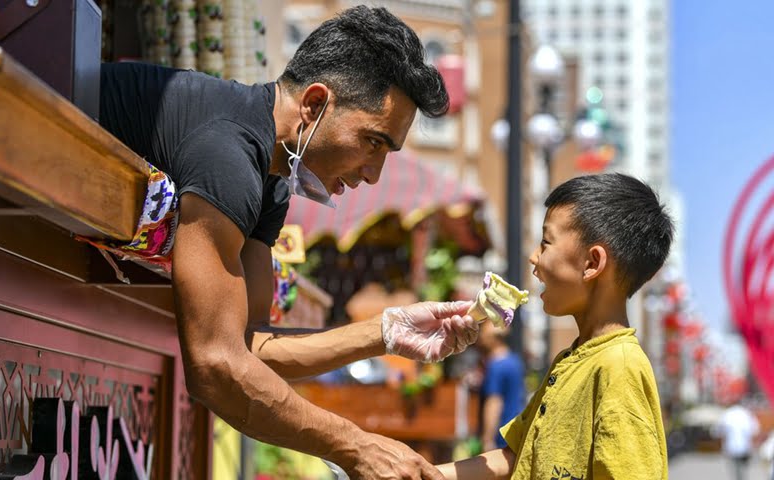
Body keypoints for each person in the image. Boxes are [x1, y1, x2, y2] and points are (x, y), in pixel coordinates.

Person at [98, 6, 480, 479]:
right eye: (373, 143)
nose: (373, 174)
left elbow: (250, 346)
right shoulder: (230, 152)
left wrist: (385, 333)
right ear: (315, 104)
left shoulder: (272, 178)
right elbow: (215, 366)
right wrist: (356, 448)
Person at [437, 173, 674, 479]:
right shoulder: (570, 360)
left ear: (592, 264)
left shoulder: (620, 367)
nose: (534, 258)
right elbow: (515, 457)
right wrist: (422, 474)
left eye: (546, 242)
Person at [476, 320, 526, 451]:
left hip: (500, 437)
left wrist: (487, 439)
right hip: (514, 432)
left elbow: (494, 402)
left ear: (494, 339)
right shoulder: (515, 361)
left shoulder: (496, 366)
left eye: (483, 335)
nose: (480, 339)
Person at [717, 401, 760, 480]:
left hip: (731, 447)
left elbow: (719, 431)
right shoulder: (746, 414)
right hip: (745, 446)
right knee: (743, 469)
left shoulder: (727, 414)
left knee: (735, 469)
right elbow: (755, 430)